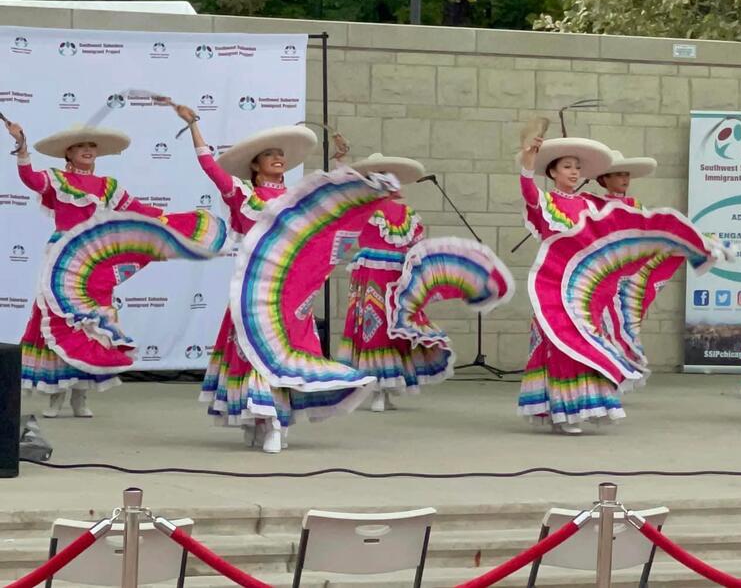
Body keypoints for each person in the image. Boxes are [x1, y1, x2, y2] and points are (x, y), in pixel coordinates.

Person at [181, 104, 351, 453]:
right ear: (254, 165)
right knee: (253, 353)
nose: (277, 158)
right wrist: (194, 125)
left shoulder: (295, 198)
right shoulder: (243, 195)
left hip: (290, 289)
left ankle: (275, 419)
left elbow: (333, 205)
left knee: (283, 353)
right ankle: (262, 417)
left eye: (280, 155)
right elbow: (210, 167)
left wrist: (339, 163)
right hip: (253, 288)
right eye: (269, 154)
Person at [8, 119, 163, 418]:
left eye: (91, 146)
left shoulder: (109, 186)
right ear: (69, 153)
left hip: (93, 259)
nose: (87, 150)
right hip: (62, 258)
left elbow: (140, 210)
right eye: (81, 146)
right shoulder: (56, 179)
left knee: (91, 323)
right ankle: (56, 395)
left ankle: (80, 395)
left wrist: (171, 221)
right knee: (61, 322)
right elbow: (29, 178)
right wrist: (22, 146)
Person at [516, 119, 620, 434]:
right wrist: (528, 161)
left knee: (586, 341)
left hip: (583, 285)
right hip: (553, 283)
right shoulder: (546, 202)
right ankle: (562, 410)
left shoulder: (590, 204)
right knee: (559, 345)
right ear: (553, 172)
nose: (574, 172)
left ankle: (585, 405)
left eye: (577, 167)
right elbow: (528, 192)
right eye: (567, 166)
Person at [336, 153, 443, 411]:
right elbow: (417, 251)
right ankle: (382, 390)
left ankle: (375, 390)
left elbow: (341, 197)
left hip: (371, 276)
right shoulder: (408, 215)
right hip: (396, 276)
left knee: (371, 325)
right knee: (390, 325)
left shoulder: (363, 211)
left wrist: (340, 164)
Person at [584, 150, 656, 210]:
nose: (625, 179)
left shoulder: (635, 205)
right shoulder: (595, 205)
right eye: (619, 174)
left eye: (627, 174)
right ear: (605, 179)